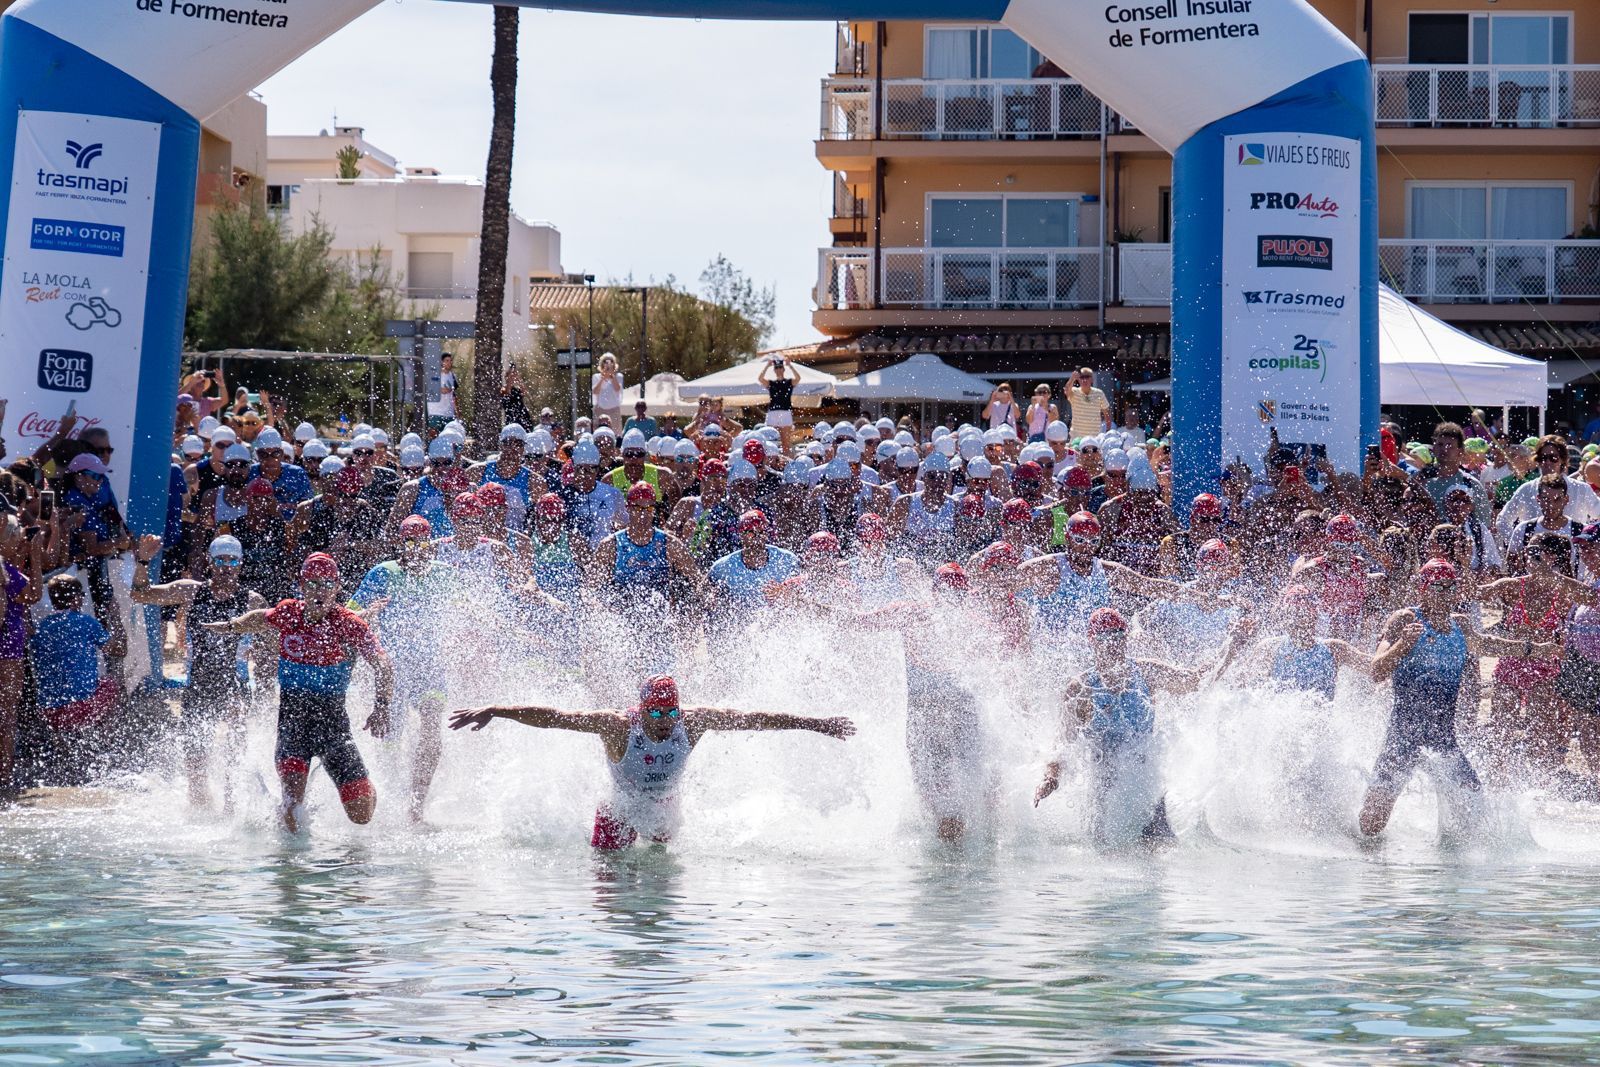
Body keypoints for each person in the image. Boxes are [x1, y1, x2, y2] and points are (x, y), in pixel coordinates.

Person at [448, 675, 855, 850]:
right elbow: (557, 718)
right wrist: (498, 710)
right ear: (641, 711)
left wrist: (815, 724)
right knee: (609, 876)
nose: (664, 724)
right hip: (620, 808)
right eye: (656, 715)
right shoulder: (617, 727)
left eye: (669, 714)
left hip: (663, 805)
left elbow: (756, 719)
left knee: (662, 877)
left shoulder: (692, 722)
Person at [1360, 560, 1557, 837]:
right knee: (1370, 826)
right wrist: (1403, 645)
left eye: (1450, 587)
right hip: (1403, 736)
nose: (1444, 593)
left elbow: (1489, 644)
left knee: (1473, 818)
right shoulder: (1405, 620)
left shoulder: (1461, 626)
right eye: (1437, 587)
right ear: (1423, 588)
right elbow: (1376, 670)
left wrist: (1535, 649)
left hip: (1443, 738)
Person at [200, 553, 394, 833]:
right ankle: (291, 871)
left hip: (334, 728)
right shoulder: (289, 612)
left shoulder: (349, 624)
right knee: (292, 805)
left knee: (361, 814)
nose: (320, 591)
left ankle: (370, 789)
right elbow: (259, 618)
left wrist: (382, 706)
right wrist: (231, 626)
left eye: (327, 584)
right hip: (293, 726)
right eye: (313, 584)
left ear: (337, 587)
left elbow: (383, 664)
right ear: (301, 586)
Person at [1033, 608, 1240, 847]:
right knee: (1105, 857)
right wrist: (1051, 779)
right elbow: (1062, 745)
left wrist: (1231, 647)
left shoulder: (1146, 672)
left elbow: (1195, 682)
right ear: (1092, 642)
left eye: (1119, 637)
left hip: (1144, 785)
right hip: (1104, 786)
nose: (1113, 645)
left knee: (1158, 853)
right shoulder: (1080, 689)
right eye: (1105, 638)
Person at [131, 533, 261, 809]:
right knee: (194, 756)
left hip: (235, 683)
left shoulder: (253, 601)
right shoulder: (190, 591)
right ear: (210, 562)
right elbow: (140, 594)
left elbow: (273, 643)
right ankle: (201, 813)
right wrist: (143, 560)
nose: (227, 566)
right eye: (221, 560)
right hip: (199, 682)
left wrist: (267, 674)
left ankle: (231, 808)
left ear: (241, 564)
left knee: (234, 749)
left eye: (233, 560)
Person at [349, 517, 460, 822]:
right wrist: (368, 613)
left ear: (430, 544)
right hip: (393, 669)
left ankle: (416, 803)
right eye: (410, 543)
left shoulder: (445, 574)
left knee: (431, 724)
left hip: (431, 667)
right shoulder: (383, 573)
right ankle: (388, 793)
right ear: (401, 543)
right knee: (391, 736)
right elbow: (349, 613)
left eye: (422, 543)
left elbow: (472, 608)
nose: (416, 550)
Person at [757, 354, 798, 453]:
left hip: (785, 411)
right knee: (770, 441)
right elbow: (760, 378)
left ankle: (786, 462)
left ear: (783, 369)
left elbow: (798, 378)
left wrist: (790, 365)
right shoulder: (772, 383)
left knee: (786, 443)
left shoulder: (789, 382)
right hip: (773, 412)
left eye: (780, 367)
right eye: (776, 368)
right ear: (774, 370)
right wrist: (767, 366)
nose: (779, 369)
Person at [1065, 368, 1112, 440]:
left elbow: (1107, 413)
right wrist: (1072, 379)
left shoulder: (1099, 393)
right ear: (1079, 379)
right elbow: (1066, 391)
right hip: (1076, 438)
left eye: (1087, 377)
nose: (1084, 380)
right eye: (1082, 377)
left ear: (1092, 379)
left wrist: (1108, 431)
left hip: (1094, 438)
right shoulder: (1074, 392)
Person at [591, 352, 624, 429]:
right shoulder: (596, 377)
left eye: (611, 361)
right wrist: (603, 377)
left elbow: (617, 389)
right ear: (602, 364)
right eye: (605, 362)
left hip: (614, 409)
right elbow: (595, 391)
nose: (608, 364)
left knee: (616, 432)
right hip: (600, 409)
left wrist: (612, 375)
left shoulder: (618, 376)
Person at [427, 353, 457, 436]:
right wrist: (440, 390)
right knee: (434, 436)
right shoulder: (434, 375)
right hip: (435, 412)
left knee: (449, 437)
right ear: (441, 362)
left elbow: (454, 395)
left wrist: (457, 412)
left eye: (450, 361)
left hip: (449, 413)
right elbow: (430, 388)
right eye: (447, 361)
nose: (449, 363)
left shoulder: (453, 376)